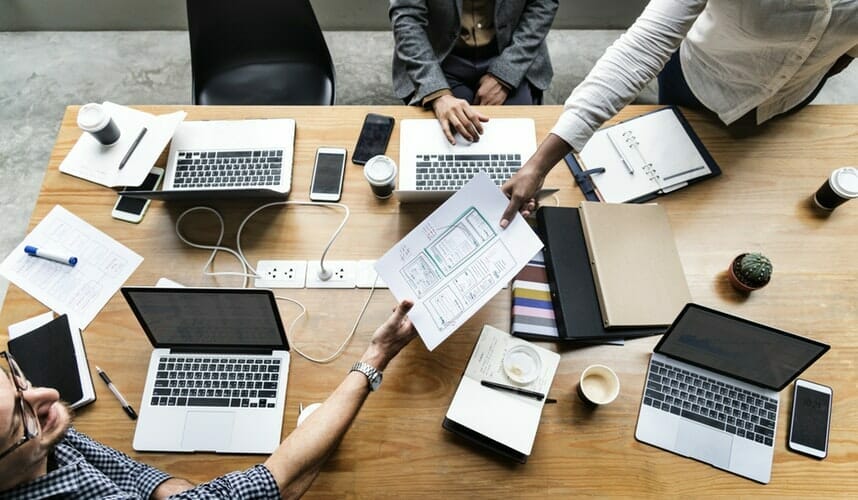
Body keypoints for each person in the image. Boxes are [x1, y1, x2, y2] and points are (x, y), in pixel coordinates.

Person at [0, 300, 417, 499]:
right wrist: (377, 354)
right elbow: (279, 480)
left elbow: (126, 470)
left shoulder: (40, 430)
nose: (47, 395)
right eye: (23, 420)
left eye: (14, 378)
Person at [500, 0, 857, 227]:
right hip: (698, 83)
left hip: (789, 102)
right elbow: (641, 49)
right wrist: (538, 165)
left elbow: (845, 51)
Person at [390, 0, 558, 144]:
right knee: (447, 143)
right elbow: (406, 16)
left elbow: (543, 4)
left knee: (517, 141)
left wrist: (506, 74)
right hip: (440, 58)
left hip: (510, 50)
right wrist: (437, 92)